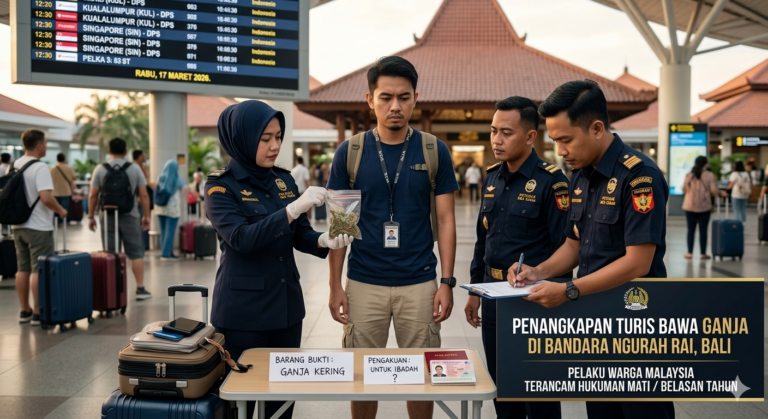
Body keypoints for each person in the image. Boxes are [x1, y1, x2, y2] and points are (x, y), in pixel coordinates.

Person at [511, 80, 673, 419]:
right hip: (594, 324)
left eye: (566, 140)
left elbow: (638, 263)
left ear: (597, 128)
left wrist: (568, 289)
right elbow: (574, 243)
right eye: (555, 141)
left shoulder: (639, 176)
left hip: (635, 324)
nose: (560, 151)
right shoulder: (580, 177)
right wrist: (537, 272)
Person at [327, 56, 458, 419]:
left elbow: (446, 221)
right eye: (385, 97)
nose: (395, 106)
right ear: (370, 100)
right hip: (364, 281)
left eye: (403, 97)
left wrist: (445, 283)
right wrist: (335, 286)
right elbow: (341, 226)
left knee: (421, 376)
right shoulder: (350, 153)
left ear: (416, 98)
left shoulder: (434, 151)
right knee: (362, 377)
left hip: (419, 283)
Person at [206, 100, 353, 419]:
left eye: (279, 136)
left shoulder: (283, 180)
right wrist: (292, 209)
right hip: (242, 315)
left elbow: (300, 233)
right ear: (242, 138)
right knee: (238, 403)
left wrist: (323, 240)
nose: (275, 146)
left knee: (282, 402)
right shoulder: (220, 187)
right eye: (265, 138)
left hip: (286, 310)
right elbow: (242, 239)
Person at [466, 96, 566, 419]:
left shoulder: (552, 182)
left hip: (532, 301)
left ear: (530, 136)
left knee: (538, 392)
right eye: (493, 131)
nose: (496, 140)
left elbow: (565, 248)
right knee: (502, 389)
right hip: (493, 300)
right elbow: (484, 240)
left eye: (506, 132)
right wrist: (474, 292)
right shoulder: (492, 177)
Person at [12, 130, 67, 325]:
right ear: (39, 145)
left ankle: (24, 311)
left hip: (17, 225)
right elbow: (45, 197)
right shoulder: (40, 167)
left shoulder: (15, 164)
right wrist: (60, 210)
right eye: (45, 142)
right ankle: (37, 312)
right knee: (38, 269)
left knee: (22, 268)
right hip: (38, 226)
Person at [88, 138, 152, 300]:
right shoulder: (135, 169)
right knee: (136, 253)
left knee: (111, 253)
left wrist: (90, 216)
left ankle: (112, 288)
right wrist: (147, 216)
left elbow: (93, 195)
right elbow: (143, 195)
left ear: (109, 151)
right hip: (130, 215)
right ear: (125, 151)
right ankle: (140, 289)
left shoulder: (100, 169)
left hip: (108, 216)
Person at [682, 156, 720, 260]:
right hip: (704, 207)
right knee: (703, 230)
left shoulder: (689, 175)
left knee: (691, 230)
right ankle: (703, 253)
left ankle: (689, 253)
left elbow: (684, 189)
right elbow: (713, 190)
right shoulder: (709, 175)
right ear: (705, 164)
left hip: (689, 206)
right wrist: (719, 193)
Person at [155, 159, 186, 261]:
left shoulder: (160, 178)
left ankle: (167, 252)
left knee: (164, 231)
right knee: (170, 231)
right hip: (172, 209)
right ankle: (166, 254)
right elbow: (186, 188)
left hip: (160, 207)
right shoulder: (177, 180)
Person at [50, 153, 77, 222]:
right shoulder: (69, 168)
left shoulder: (52, 168)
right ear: (64, 159)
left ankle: (57, 223)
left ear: (57, 159)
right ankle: (63, 223)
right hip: (66, 192)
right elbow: (73, 179)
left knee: (56, 210)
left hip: (54, 193)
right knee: (64, 210)